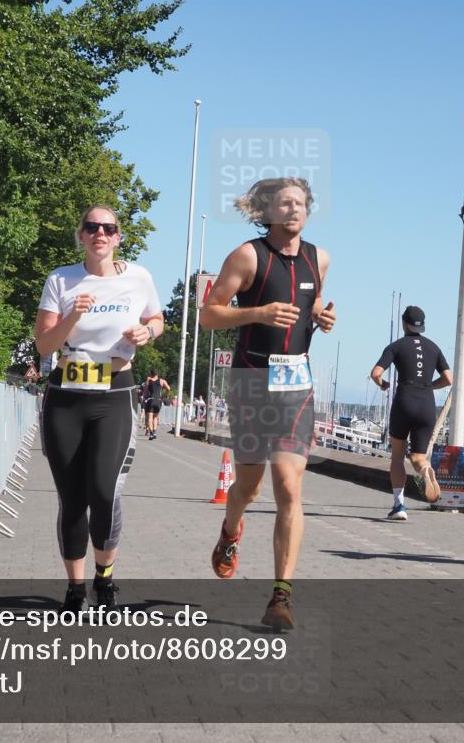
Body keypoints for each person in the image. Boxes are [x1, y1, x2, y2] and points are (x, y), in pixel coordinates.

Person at [201, 177, 336, 630]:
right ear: (269, 211)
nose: (294, 210)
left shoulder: (321, 258)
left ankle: (281, 596)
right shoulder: (247, 255)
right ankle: (230, 530)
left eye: (300, 203)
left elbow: (311, 303)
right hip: (252, 380)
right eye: (285, 203)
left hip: (295, 382)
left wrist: (321, 315)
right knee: (249, 487)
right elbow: (209, 314)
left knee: (290, 487)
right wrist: (257, 312)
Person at [35, 205, 164, 612]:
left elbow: (157, 318)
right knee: (72, 499)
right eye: (91, 227)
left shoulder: (138, 277)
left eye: (108, 228)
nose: (100, 234)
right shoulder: (61, 278)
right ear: (81, 235)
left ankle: (104, 578)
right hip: (67, 395)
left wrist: (148, 330)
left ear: (118, 237)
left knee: (105, 491)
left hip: (115, 393)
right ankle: (75, 590)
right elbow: (44, 346)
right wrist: (73, 314)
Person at [369, 305, 453, 520]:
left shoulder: (396, 346)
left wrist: (382, 384)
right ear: (422, 325)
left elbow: (376, 373)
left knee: (397, 457)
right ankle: (425, 470)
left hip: (404, 402)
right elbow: (448, 379)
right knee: (418, 457)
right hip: (426, 404)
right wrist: (430, 387)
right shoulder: (434, 347)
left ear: (404, 323)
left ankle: (399, 506)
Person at [141, 369, 170, 439]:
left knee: (150, 417)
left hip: (151, 400)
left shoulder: (149, 380)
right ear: (157, 374)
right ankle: (155, 432)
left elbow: (145, 391)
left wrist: (144, 399)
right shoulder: (162, 381)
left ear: (151, 374)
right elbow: (168, 388)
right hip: (158, 400)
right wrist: (164, 395)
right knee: (155, 417)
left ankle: (151, 433)